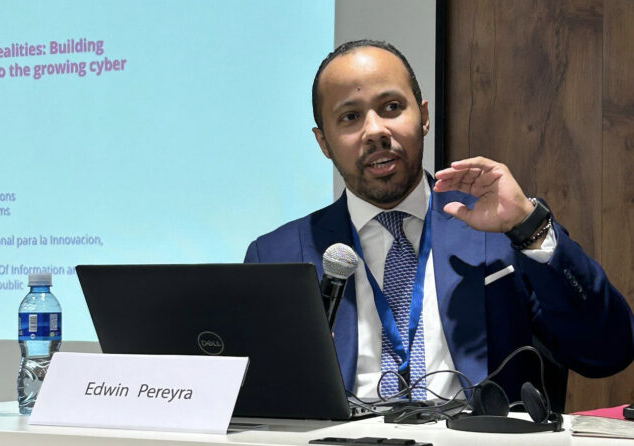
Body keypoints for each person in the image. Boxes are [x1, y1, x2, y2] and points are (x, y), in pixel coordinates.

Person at [244, 40, 634, 406]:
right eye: (350, 117)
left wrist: (529, 226)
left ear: (424, 117)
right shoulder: (275, 255)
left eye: (392, 107)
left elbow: (607, 352)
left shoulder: (500, 232)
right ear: (324, 142)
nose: (376, 130)